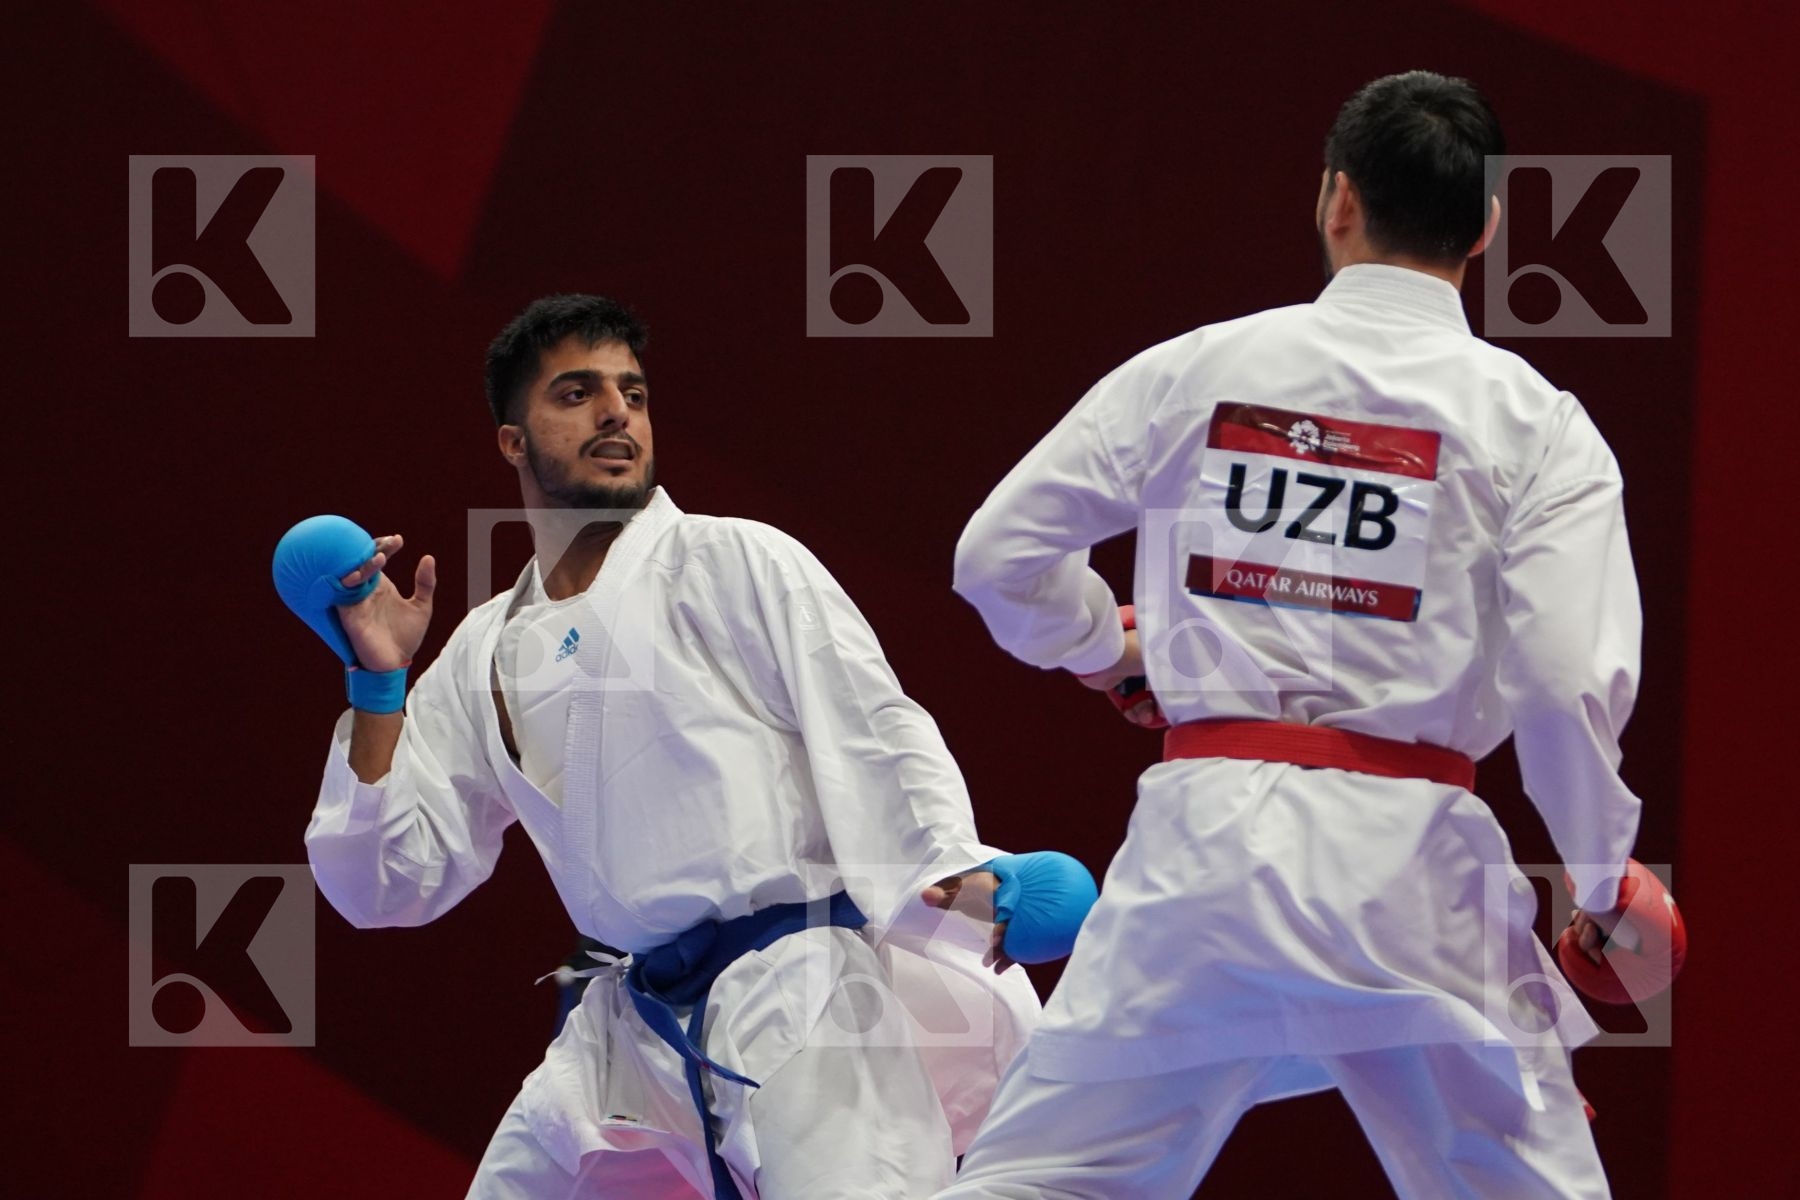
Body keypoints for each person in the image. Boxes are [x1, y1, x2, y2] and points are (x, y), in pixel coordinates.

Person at [940, 71, 1641, 1199]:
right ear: (1486, 228)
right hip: (1415, 881)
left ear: (1337, 199)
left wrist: (1107, 647)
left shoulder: (1198, 368)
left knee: (1042, 1181)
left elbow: (996, 558)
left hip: (1198, 863)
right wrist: (1604, 886)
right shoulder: (1539, 425)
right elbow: (1565, 684)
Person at [291, 295, 1057, 1198]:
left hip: (802, 992)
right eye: (576, 393)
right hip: (628, 1035)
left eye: (634, 393)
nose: (616, 413)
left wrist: (964, 878)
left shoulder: (732, 560)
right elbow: (387, 881)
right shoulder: (483, 649)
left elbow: (875, 732)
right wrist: (378, 684)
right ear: (513, 442)